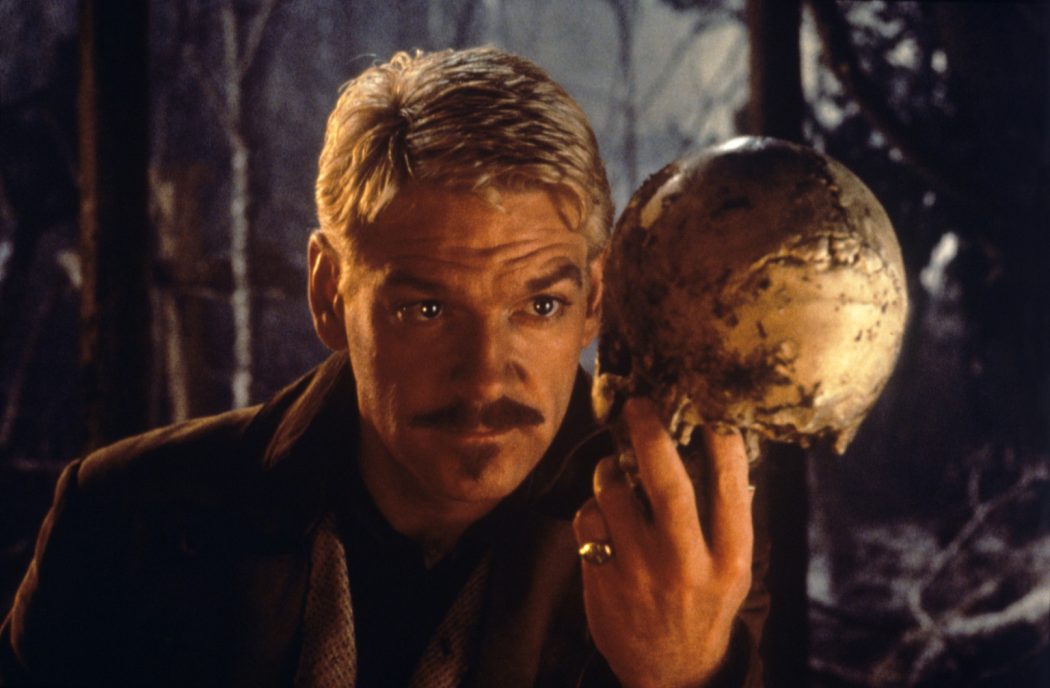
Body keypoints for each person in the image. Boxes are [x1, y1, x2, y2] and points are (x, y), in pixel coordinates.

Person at [0, 47, 766, 687]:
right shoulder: (122, 519)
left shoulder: (686, 555)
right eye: (427, 309)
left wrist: (682, 679)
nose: (485, 377)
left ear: (594, 300)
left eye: (539, 306)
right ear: (328, 293)